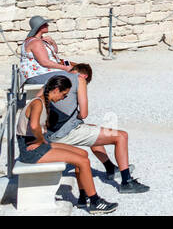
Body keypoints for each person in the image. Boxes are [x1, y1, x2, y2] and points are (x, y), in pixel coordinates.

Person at [49, 63, 149, 200]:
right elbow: (83, 114)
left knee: (91, 129)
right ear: (84, 76)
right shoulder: (79, 79)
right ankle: (127, 182)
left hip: (50, 132)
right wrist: (76, 118)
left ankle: (110, 168)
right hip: (62, 133)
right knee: (121, 136)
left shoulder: (55, 77)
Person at [19, 76, 117, 214]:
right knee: (82, 161)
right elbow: (34, 125)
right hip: (30, 149)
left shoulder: (43, 101)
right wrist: (40, 140)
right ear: (56, 90)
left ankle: (83, 197)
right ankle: (94, 201)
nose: (64, 98)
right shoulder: (38, 103)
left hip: (37, 143)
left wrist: (42, 140)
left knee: (83, 154)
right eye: (64, 94)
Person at [19, 16, 75, 86]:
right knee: (74, 78)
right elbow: (45, 62)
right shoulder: (36, 42)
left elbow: (54, 52)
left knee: (77, 74)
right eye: (45, 24)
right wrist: (65, 68)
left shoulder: (40, 40)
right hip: (36, 75)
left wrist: (52, 42)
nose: (48, 25)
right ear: (39, 27)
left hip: (44, 72)